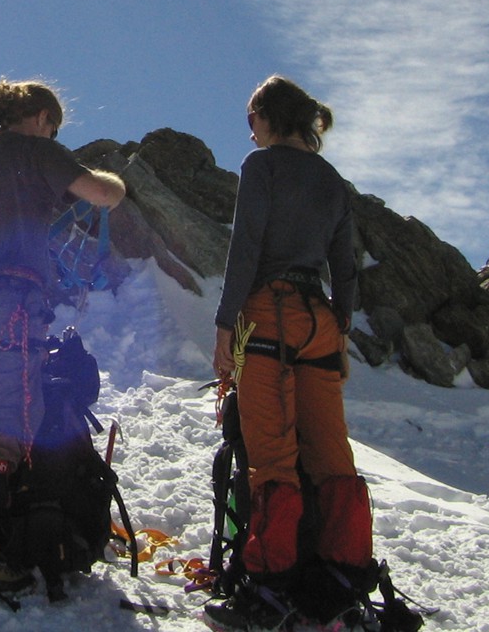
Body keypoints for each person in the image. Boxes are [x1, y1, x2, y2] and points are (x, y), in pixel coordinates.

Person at [0, 79, 125, 598]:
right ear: (40, 115)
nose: (54, 131)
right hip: (13, 306)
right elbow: (104, 194)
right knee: (6, 429)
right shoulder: (39, 151)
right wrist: (112, 181)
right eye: (55, 124)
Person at [206, 75, 370, 626]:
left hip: (268, 316)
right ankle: (343, 577)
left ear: (270, 117)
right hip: (319, 321)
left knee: (273, 459)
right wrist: (340, 329)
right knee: (330, 456)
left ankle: (270, 589)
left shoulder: (263, 167)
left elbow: (246, 244)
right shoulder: (333, 181)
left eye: (252, 118)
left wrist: (226, 324)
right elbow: (345, 265)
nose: (249, 131)